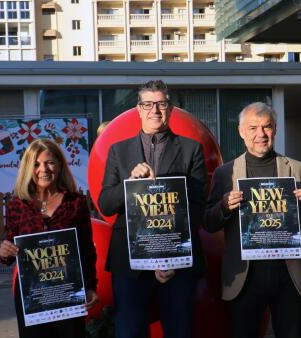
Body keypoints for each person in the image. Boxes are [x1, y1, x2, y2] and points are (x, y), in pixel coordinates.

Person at [98, 80, 207, 338]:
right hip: (130, 264)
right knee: (129, 332)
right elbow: (105, 203)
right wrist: (131, 184)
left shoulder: (192, 150)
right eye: (148, 104)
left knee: (179, 331)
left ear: (170, 108)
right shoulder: (118, 151)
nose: (154, 110)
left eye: (161, 104)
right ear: (138, 109)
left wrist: (171, 256)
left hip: (177, 263)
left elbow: (197, 207)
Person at [204, 102, 301, 338]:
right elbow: (208, 222)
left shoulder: (297, 169)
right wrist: (224, 207)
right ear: (241, 131)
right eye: (253, 128)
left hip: (288, 275)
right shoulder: (224, 173)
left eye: (267, 127)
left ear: (275, 129)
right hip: (244, 276)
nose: (261, 134)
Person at [0, 138, 98, 338]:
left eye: (50, 162)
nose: (43, 169)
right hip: (32, 295)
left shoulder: (75, 203)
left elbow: (86, 249)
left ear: (59, 165)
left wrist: (90, 286)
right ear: (28, 168)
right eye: (36, 164)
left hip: (68, 291)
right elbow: (10, 245)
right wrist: (3, 252)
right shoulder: (17, 204)